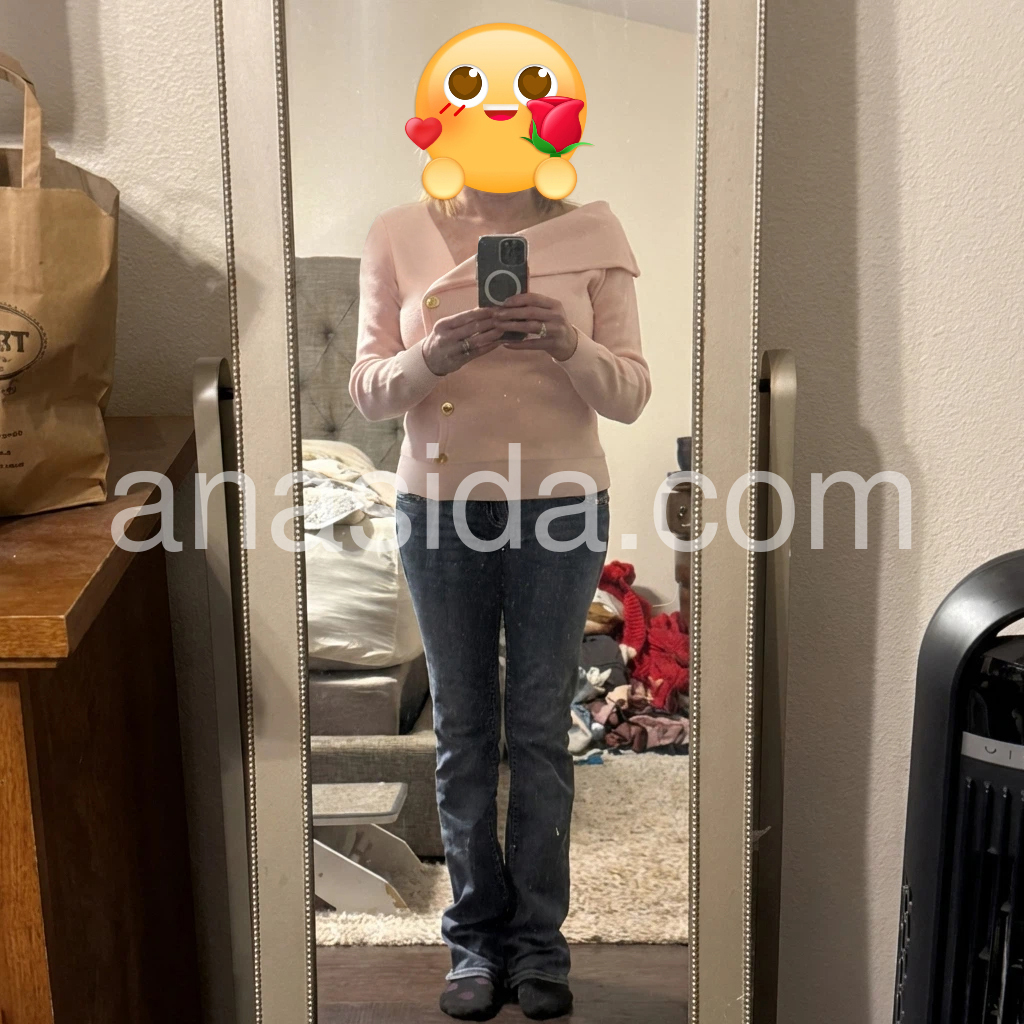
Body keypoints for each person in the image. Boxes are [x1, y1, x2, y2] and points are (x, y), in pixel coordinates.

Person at [349, 184, 650, 1021]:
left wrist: (568, 343)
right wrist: (433, 356)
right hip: (439, 507)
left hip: (562, 505)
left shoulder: (593, 231)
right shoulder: (397, 231)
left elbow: (629, 395)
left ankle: (540, 945)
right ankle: (475, 942)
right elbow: (369, 391)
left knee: (542, 726)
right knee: (465, 727)